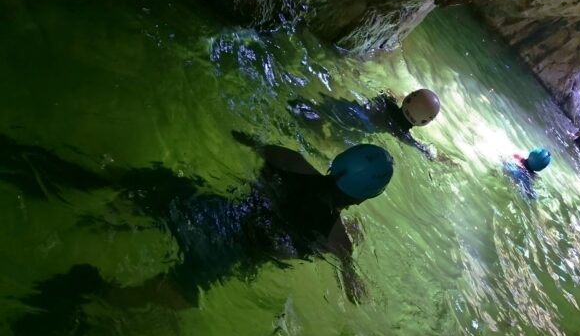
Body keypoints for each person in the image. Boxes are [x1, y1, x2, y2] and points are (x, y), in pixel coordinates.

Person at [0, 132, 393, 309]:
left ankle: (44, 169)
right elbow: (356, 295)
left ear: (339, 162)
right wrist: (348, 250)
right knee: (177, 295)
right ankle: (92, 291)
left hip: (209, 207)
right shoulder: (336, 238)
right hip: (227, 249)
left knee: (128, 182)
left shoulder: (288, 160)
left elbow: (245, 137)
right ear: (366, 197)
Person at [289, 88, 442, 160]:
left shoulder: (386, 101)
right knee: (328, 142)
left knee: (307, 107)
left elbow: (386, 94)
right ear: (424, 122)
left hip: (349, 110)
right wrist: (433, 155)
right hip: (357, 129)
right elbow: (421, 148)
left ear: (408, 98)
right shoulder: (400, 132)